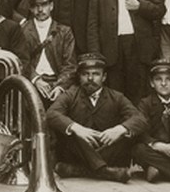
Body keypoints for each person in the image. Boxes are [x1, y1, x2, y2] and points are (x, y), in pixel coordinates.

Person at [87, 0, 165, 105]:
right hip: (111, 47)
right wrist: (96, 53)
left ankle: (138, 130)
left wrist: (141, 6)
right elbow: (92, 22)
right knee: (114, 95)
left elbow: (160, 10)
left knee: (139, 95)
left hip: (138, 46)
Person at [47, 52, 148, 183]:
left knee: (129, 135)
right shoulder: (71, 94)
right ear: (79, 76)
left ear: (104, 77)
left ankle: (78, 170)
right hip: (79, 152)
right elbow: (51, 114)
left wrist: (119, 129)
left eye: (95, 74)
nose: (90, 78)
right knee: (70, 134)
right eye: (85, 74)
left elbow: (140, 119)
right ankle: (106, 172)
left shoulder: (116, 97)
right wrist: (77, 128)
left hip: (107, 151)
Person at [20, 0, 77, 106]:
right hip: (32, 83)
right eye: (35, 6)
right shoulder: (22, 31)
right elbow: (21, 61)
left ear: (51, 6)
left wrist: (60, 87)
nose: (40, 10)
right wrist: (36, 80)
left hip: (57, 82)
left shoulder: (64, 31)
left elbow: (70, 65)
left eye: (44, 5)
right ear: (30, 8)